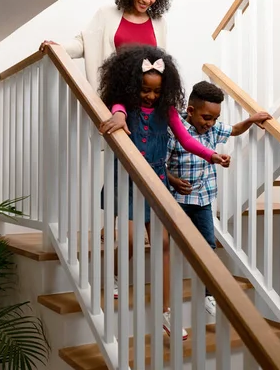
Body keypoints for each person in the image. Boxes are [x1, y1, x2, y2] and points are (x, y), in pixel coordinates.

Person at [98, 46, 230, 340]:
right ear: (133, 86)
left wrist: (211, 156)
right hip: (129, 178)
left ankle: (165, 311)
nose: (150, 97)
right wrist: (118, 118)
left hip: (156, 180)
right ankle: (116, 275)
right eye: (145, 90)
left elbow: (186, 139)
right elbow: (117, 110)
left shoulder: (167, 111)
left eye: (156, 92)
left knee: (165, 243)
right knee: (131, 237)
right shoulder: (124, 106)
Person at [166, 81, 271, 317]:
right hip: (178, 201)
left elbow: (233, 130)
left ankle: (207, 293)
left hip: (203, 199)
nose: (210, 123)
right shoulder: (175, 131)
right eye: (206, 117)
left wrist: (251, 120)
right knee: (172, 248)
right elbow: (160, 165)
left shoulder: (213, 129)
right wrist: (172, 180)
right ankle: (168, 299)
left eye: (215, 118)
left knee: (209, 245)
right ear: (191, 111)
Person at [41, 0, 172, 91]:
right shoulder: (107, 14)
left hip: (147, 99)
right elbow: (84, 43)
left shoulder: (159, 23)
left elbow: (161, 63)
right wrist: (59, 48)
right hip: (115, 95)